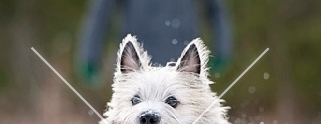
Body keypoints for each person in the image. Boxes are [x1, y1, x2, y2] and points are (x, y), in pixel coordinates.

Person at [77, 0, 234, 86]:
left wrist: (222, 48)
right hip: (135, 62)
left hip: (181, 62)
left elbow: (216, 11)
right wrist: (90, 55)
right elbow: (101, 13)